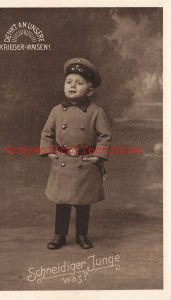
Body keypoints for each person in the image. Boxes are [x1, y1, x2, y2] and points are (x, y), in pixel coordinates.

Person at [40, 57, 112, 250]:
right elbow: (47, 133)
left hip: (85, 163)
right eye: (69, 82)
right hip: (63, 161)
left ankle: (82, 235)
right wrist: (48, 152)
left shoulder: (96, 112)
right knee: (62, 203)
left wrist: (98, 155)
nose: (72, 86)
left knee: (82, 204)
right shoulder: (56, 111)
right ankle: (59, 235)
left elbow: (105, 136)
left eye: (79, 83)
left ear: (90, 90)